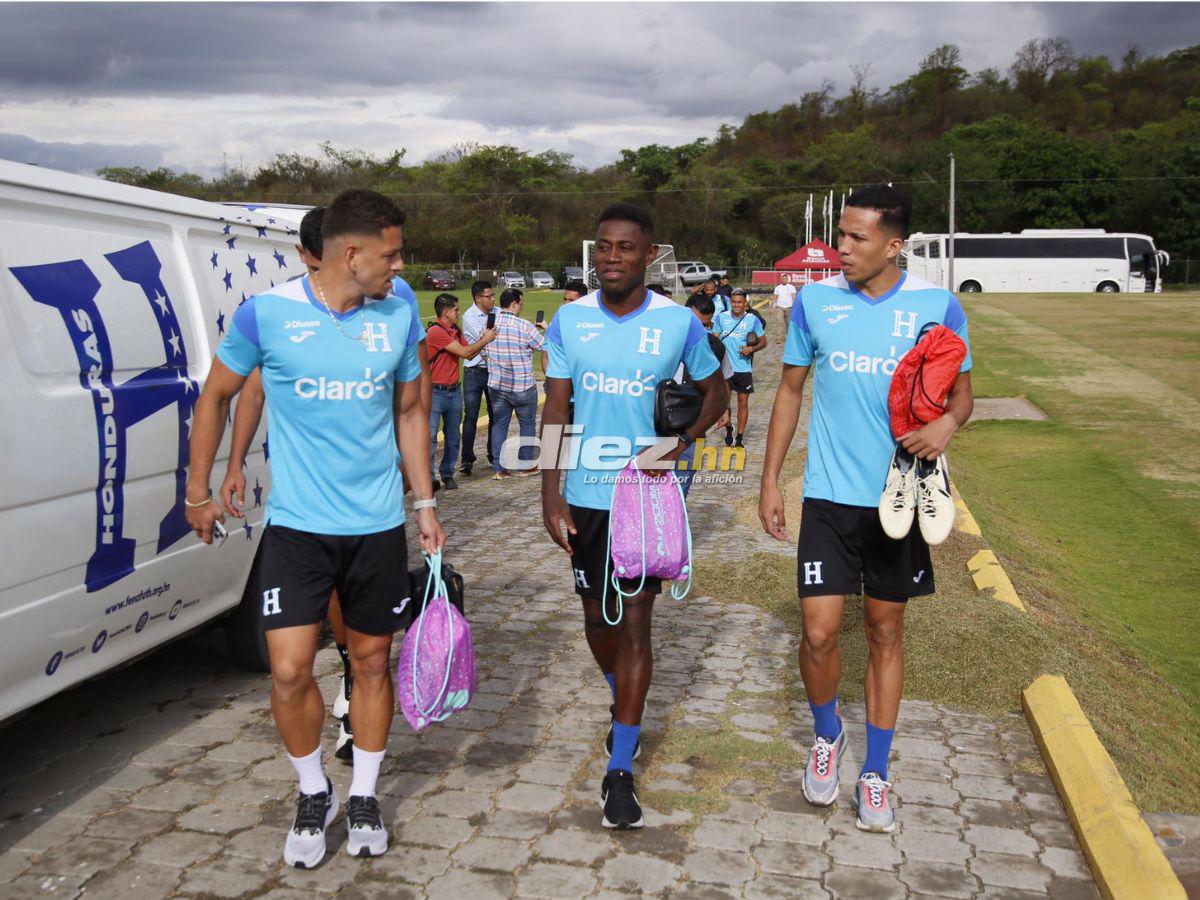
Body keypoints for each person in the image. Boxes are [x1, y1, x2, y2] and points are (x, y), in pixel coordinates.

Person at [186, 189, 445, 867]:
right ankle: (313, 790)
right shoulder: (266, 315)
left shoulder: (398, 312)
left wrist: (425, 506)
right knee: (290, 669)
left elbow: (411, 412)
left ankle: (363, 794)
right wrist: (201, 488)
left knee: (370, 663)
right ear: (351, 253)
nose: (399, 265)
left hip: (377, 526)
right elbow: (216, 394)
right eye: (390, 253)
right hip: (299, 528)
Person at [758, 184, 973, 834]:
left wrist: (946, 428)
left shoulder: (937, 306)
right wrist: (770, 480)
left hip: (898, 501)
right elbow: (791, 392)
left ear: (893, 243)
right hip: (826, 498)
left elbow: (962, 395)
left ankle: (876, 773)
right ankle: (829, 737)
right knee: (819, 633)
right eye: (840, 235)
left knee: (885, 633)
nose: (840, 248)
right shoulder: (816, 303)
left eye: (855, 238)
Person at [220, 205, 432, 763]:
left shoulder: (397, 304)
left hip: (374, 503)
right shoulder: (280, 311)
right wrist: (233, 462)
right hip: (303, 515)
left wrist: (421, 489)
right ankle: (333, 718)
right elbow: (254, 388)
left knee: (368, 649)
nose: (303, 266)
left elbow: (412, 401)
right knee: (298, 656)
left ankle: (352, 698)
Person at [541, 203, 727, 830]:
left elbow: (717, 391)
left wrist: (680, 445)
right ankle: (625, 702)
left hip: (646, 500)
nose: (611, 258)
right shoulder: (569, 320)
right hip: (586, 498)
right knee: (598, 621)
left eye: (625, 248)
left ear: (650, 256)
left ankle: (620, 767)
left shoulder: (678, 324)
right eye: (603, 247)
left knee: (638, 626)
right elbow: (556, 408)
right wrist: (550, 491)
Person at [427, 293, 497, 490]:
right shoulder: (436, 332)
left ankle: (447, 473)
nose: (459, 313)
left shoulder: (455, 330)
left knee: (453, 437)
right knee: (431, 437)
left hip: (453, 391)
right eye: (456, 309)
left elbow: (470, 352)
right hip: (435, 392)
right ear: (446, 312)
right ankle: (428, 477)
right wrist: (485, 339)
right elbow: (465, 353)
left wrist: (484, 341)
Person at [676, 293, 733, 497]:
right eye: (697, 324)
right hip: (656, 429)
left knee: (682, 486)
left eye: (706, 326)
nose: (700, 331)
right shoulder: (662, 342)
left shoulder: (716, 347)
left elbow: (724, 380)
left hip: (694, 428)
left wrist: (725, 409)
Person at [488, 287, 546, 478]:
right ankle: (526, 465)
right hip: (522, 385)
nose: (521, 307)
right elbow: (543, 345)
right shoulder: (524, 326)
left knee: (499, 425)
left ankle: (498, 467)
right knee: (527, 425)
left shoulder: (490, 324)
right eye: (521, 304)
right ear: (514, 304)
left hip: (497, 384)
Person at [713, 288, 768, 448]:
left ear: (745, 303)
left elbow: (764, 342)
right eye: (734, 302)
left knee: (742, 402)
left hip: (743, 368)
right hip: (724, 368)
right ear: (731, 302)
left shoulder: (753, 319)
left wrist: (751, 349)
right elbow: (715, 340)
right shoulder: (721, 318)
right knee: (724, 403)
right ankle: (729, 427)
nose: (736, 305)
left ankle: (739, 438)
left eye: (740, 302)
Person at [460, 280, 497, 477]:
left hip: (492, 370)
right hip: (474, 371)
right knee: (471, 416)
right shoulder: (469, 316)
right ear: (477, 298)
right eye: (488, 296)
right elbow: (485, 343)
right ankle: (467, 459)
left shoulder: (497, 312)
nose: (492, 299)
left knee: (495, 415)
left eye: (493, 296)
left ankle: (494, 455)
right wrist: (491, 340)